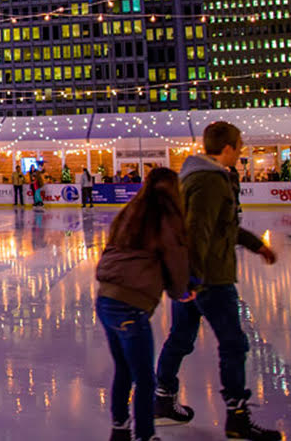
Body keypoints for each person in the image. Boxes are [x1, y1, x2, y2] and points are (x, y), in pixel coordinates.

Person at [153, 121, 280, 440]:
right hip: (209, 278)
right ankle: (237, 417)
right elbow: (198, 231)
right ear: (227, 148)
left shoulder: (197, 177)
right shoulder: (211, 180)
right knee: (234, 343)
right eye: (238, 147)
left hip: (192, 276)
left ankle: (162, 401)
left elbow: (218, 225)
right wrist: (193, 279)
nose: (240, 153)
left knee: (181, 339)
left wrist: (255, 244)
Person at [96, 167, 190, 441]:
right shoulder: (167, 217)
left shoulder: (130, 211)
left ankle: (120, 429)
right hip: (130, 306)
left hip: (106, 299)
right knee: (145, 378)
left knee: (124, 370)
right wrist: (180, 291)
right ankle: (145, 435)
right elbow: (176, 259)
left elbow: (110, 250)